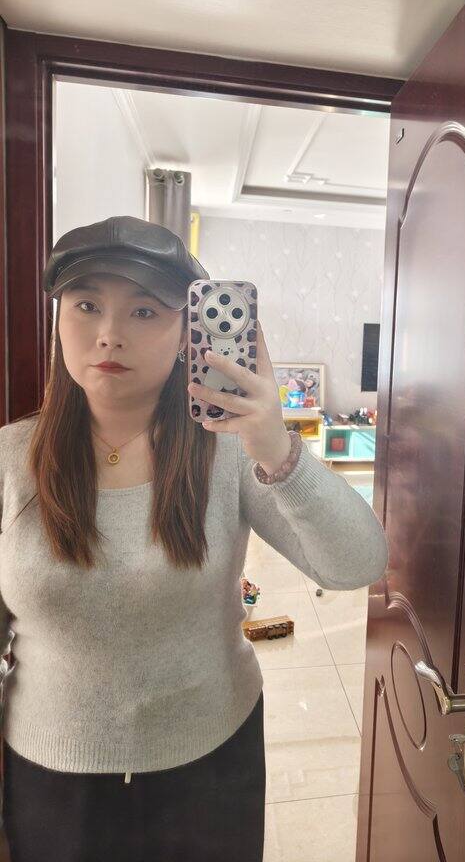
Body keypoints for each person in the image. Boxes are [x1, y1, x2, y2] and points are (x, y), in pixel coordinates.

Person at [0, 216, 389, 861]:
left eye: (145, 311)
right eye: (87, 305)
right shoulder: (10, 460)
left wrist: (275, 445)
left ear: (187, 332)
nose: (109, 334)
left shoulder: (229, 452)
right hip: (50, 778)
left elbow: (357, 564)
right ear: (59, 320)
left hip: (210, 769)